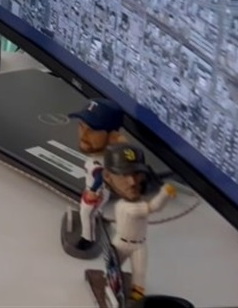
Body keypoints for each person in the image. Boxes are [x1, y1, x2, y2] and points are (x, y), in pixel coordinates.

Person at [101, 143, 176, 302]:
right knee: (113, 270)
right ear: (108, 176)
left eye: (137, 174)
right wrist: (165, 193)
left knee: (140, 273)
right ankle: (110, 288)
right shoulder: (128, 207)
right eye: (124, 175)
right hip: (121, 244)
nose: (132, 182)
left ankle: (136, 300)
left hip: (139, 244)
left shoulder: (131, 202)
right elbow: (155, 207)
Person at [67, 97, 128, 253]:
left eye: (92, 130)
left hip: (97, 192)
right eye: (81, 126)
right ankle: (95, 222)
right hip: (94, 191)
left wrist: (93, 191)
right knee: (91, 212)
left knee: (86, 213)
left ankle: (88, 239)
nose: (83, 135)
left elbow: (101, 177)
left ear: (113, 137)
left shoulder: (103, 163)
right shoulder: (98, 156)